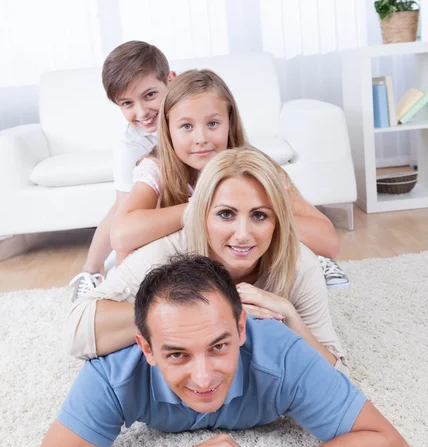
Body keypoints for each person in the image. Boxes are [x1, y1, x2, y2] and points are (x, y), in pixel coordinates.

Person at [21, 254, 415, 447]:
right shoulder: (114, 370)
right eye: (177, 355)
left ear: (242, 329)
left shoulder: (281, 352)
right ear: (146, 348)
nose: (205, 378)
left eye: (219, 346)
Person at [64, 147, 348, 373]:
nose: (242, 235)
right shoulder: (170, 251)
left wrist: (290, 314)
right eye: (226, 214)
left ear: (278, 222)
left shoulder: (299, 264)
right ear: (202, 215)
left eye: (259, 216)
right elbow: (77, 331)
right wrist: (197, 314)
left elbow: (339, 375)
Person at [109, 68, 340, 266]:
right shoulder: (157, 169)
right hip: (186, 277)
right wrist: (201, 208)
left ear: (230, 123)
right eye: (186, 126)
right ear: (168, 130)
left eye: (212, 123)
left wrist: (258, 217)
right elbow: (121, 237)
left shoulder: (257, 169)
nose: (200, 138)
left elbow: (328, 242)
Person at [69, 41, 176, 302]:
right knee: (121, 207)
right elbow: (125, 214)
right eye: (127, 103)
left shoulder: (190, 118)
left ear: (171, 82)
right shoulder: (131, 143)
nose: (142, 112)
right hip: (144, 201)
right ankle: (91, 271)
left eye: (150, 95)